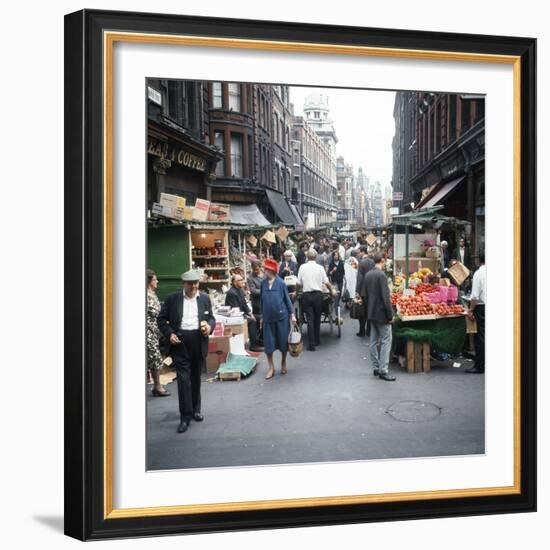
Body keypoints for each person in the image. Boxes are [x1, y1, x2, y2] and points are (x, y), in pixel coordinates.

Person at [157, 270, 216, 434]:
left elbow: (211, 318)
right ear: (184, 283)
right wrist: (170, 334)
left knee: (195, 377)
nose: (194, 286)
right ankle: (185, 415)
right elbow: (161, 319)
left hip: (198, 340)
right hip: (180, 341)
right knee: (183, 380)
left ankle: (196, 409)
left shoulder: (204, 298)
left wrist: (209, 326)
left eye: (196, 283)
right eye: (191, 283)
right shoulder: (172, 299)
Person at [260, 258, 296, 380]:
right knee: (268, 345)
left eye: (265, 269)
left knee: (283, 343)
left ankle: (283, 363)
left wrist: (292, 314)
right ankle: (271, 367)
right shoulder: (263, 283)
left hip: (281, 318)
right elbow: (261, 301)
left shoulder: (281, 283)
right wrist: (261, 317)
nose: (263, 271)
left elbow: (287, 300)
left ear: (270, 270)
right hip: (268, 319)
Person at [364, 253, 396, 381]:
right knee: (386, 340)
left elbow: (364, 295)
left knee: (373, 341)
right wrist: (390, 314)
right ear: (382, 261)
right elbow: (385, 297)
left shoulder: (368, 275)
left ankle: (376, 367)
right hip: (381, 313)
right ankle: (383, 370)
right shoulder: (381, 275)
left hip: (371, 313)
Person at [297, 249, 334, 351]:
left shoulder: (302, 267)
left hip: (306, 295)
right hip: (318, 295)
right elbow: (326, 282)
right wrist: (332, 291)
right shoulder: (320, 268)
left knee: (310, 319)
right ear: (316, 256)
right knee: (317, 317)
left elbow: (298, 283)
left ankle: (311, 343)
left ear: (307, 257)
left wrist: (296, 293)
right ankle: (317, 340)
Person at [146, 269, 170, 397]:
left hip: (154, 332)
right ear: (149, 281)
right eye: (155, 279)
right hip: (148, 332)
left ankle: (156, 386)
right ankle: (158, 386)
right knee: (155, 358)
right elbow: (155, 313)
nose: (157, 282)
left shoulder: (152, 294)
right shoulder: (146, 296)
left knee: (154, 358)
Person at [225, 274, 263, 352]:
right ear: (235, 282)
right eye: (240, 280)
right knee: (252, 321)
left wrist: (250, 313)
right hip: (235, 316)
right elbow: (236, 309)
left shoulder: (240, 290)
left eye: (242, 279)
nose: (243, 281)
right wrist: (248, 316)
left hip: (241, 313)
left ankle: (260, 340)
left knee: (260, 317)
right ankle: (253, 345)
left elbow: (244, 305)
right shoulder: (231, 293)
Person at [465, 252, 486, 374]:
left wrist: (471, 310)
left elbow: (474, 296)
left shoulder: (479, 273)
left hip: (482, 307)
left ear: (479, 260)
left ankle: (479, 366)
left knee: (481, 337)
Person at [355, 245, 375, 337]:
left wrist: (357, 291)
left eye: (359, 252)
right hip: (372, 289)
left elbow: (359, 277)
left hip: (363, 290)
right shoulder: (372, 261)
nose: (358, 254)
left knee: (362, 312)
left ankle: (362, 331)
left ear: (363, 252)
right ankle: (369, 331)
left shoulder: (361, 262)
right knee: (370, 310)